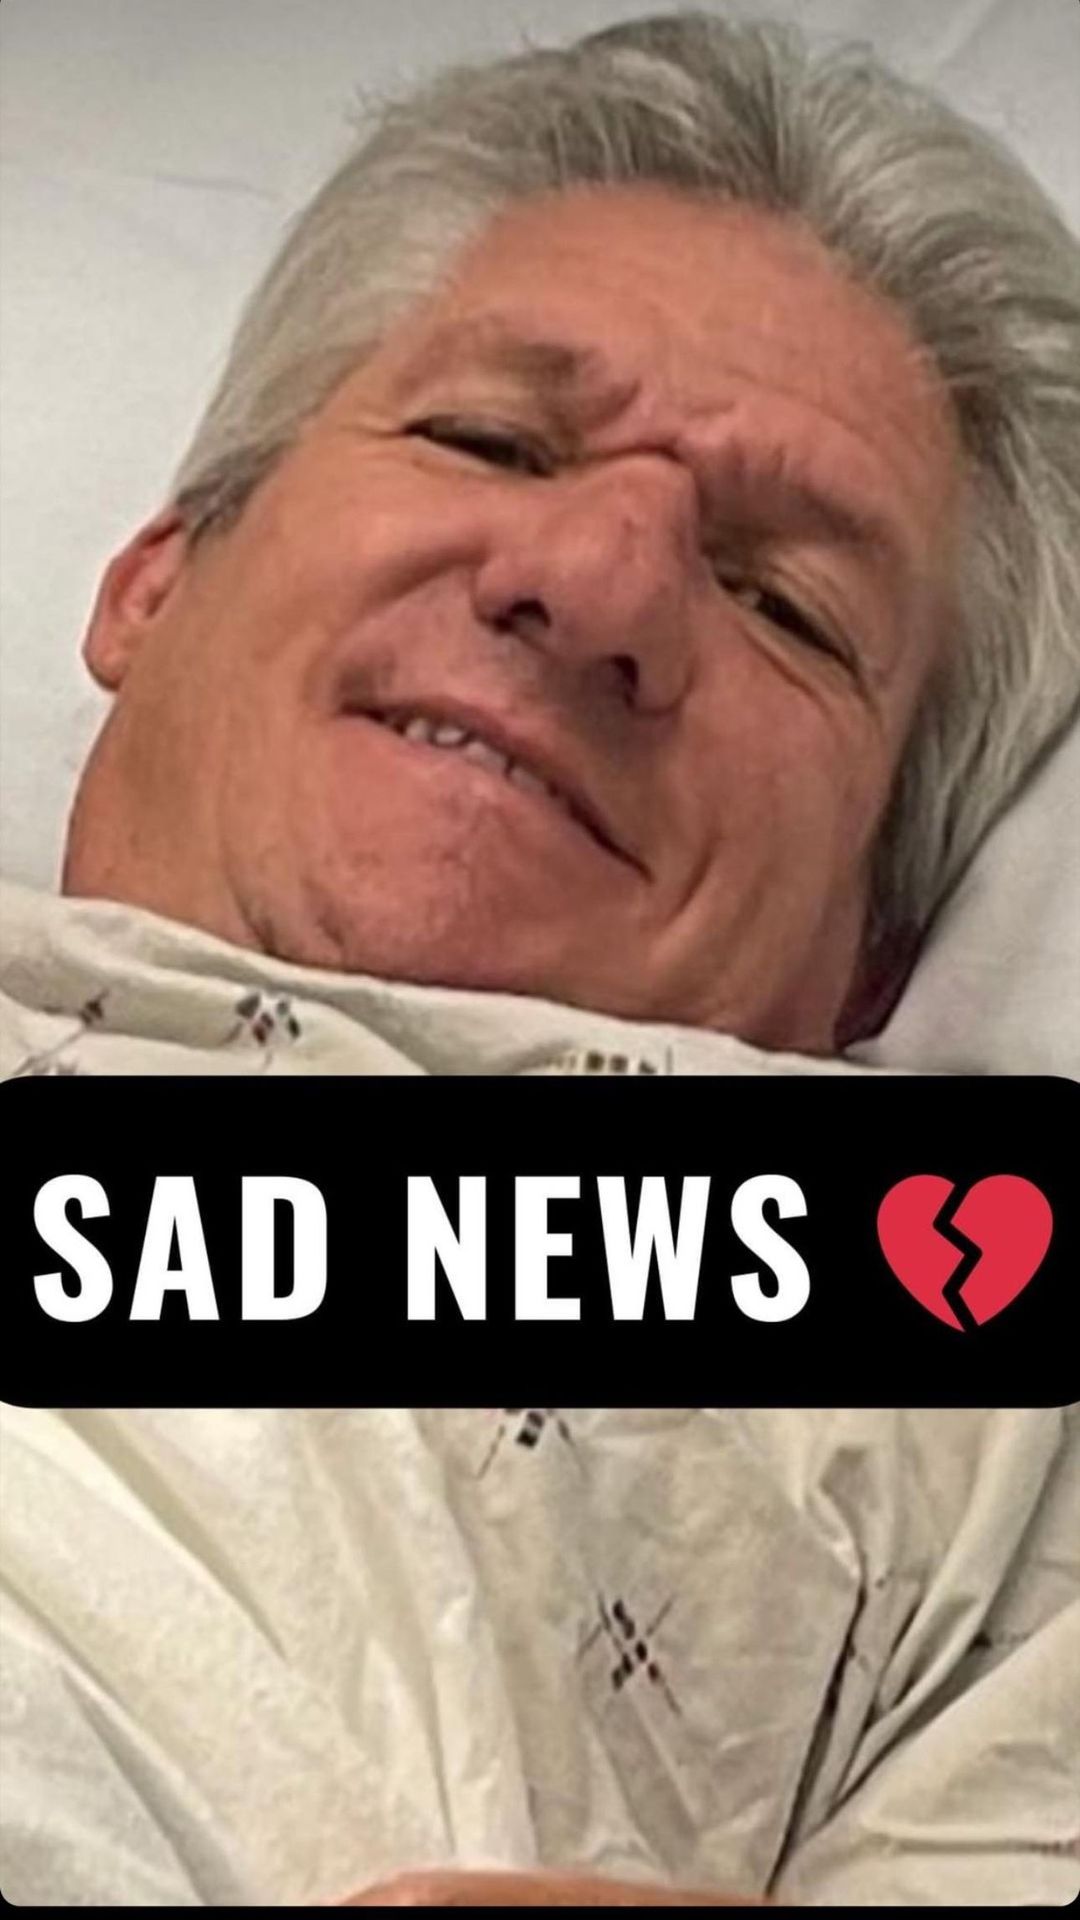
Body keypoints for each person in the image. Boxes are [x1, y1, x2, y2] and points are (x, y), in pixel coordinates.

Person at [0, 13, 1078, 1908]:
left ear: (876, 953)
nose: (596, 589)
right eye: (491, 440)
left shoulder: (974, 1398)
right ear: (153, 580)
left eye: (786, 605)